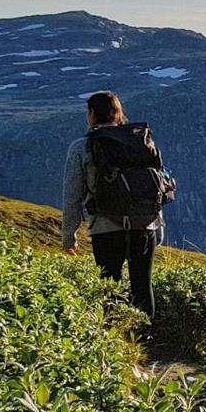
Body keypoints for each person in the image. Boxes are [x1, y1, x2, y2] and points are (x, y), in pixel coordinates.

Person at [61, 91, 172, 322]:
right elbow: (155, 184)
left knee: (110, 285)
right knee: (142, 284)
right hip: (145, 224)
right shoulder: (140, 140)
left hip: (106, 225)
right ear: (117, 113)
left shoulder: (82, 147)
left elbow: (73, 195)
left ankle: (117, 345)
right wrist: (158, 224)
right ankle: (143, 343)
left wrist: (68, 236)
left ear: (91, 114)